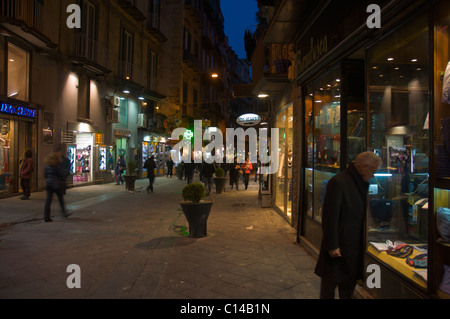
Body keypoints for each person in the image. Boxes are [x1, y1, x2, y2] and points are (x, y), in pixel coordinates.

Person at [314, 151, 382, 299]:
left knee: (348, 287)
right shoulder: (339, 182)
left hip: (353, 246)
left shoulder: (361, 182)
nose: (373, 175)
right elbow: (329, 216)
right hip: (338, 247)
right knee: (329, 287)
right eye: (373, 171)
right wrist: (332, 245)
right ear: (363, 166)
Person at [44, 153, 69, 222]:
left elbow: (45, 175)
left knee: (48, 200)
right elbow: (61, 174)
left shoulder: (47, 166)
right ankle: (64, 213)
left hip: (49, 184)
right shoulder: (56, 166)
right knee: (60, 199)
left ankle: (46, 216)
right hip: (56, 184)